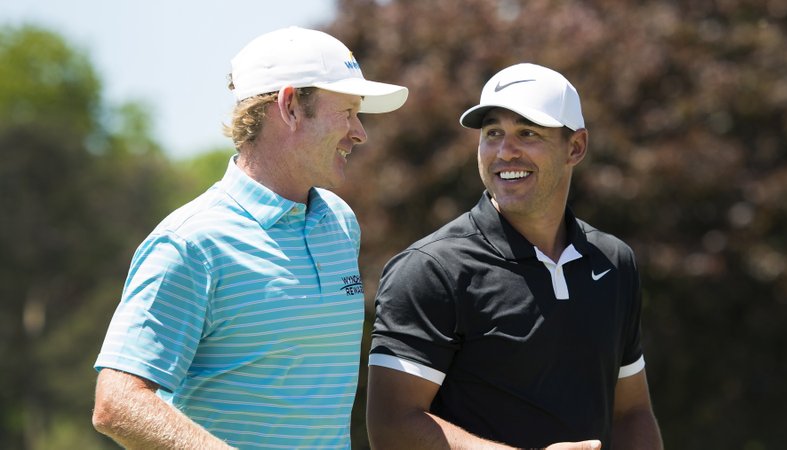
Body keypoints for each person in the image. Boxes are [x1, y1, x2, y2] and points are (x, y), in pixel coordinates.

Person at [91, 26, 407, 449]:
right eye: (348, 112)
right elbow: (118, 402)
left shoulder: (339, 223)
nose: (360, 132)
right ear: (291, 106)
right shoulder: (191, 244)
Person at [366, 63, 662, 450]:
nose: (505, 152)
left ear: (575, 147)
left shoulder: (613, 261)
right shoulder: (430, 269)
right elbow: (392, 427)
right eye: (493, 134)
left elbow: (632, 412)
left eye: (528, 133)